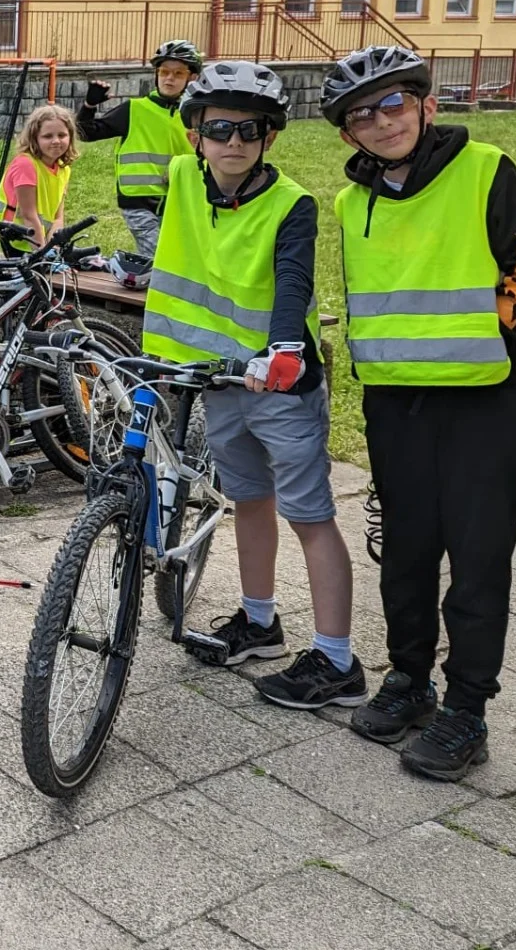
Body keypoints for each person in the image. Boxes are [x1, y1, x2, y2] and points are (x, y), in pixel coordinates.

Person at [322, 47, 516, 780]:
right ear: (346, 134)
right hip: (396, 400)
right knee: (404, 549)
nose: (380, 121)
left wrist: (497, 320)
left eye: (393, 103)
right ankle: (409, 678)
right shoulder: (350, 200)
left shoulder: (485, 169)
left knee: (477, 555)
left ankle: (467, 706)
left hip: (484, 402)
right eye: (361, 114)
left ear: (426, 105)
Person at [144, 62, 363, 712]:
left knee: (308, 513)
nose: (233, 141)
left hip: (279, 381)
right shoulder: (183, 178)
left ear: (269, 136)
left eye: (249, 129)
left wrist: (286, 350)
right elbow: (179, 255)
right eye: (218, 128)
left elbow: (291, 279)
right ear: (196, 136)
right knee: (248, 500)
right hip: (217, 379)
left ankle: (337, 659)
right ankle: (260, 622)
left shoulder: (292, 200)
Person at [76, 39, 201, 257]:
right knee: (160, 258)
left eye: (178, 73)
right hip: (138, 202)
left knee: (181, 258)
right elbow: (84, 132)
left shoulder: (197, 116)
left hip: (180, 200)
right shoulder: (134, 110)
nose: (169, 78)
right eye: (164, 72)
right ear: (156, 74)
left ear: (192, 77)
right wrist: (89, 106)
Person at [0, 103, 80, 250]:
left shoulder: (63, 168)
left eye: (62, 135)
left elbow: (58, 217)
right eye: (47, 136)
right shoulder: (25, 164)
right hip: (17, 237)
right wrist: (42, 254)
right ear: (35, 139)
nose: (56, 141)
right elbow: (28, 216)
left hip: (41, 239)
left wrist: (54, 247)